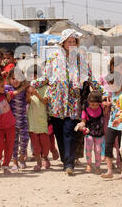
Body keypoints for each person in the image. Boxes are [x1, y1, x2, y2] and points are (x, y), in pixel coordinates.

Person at [29, 29, 105, 176]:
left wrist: (104, 93)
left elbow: (91, 78)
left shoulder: (80, 59)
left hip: (72, 103)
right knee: (59, 133)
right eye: (68, 41)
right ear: (63, 43)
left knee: (69, 131)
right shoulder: (54, 57)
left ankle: (69, 163)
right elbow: (45, 78)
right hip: (56, 103)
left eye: (74, 41)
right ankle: (65, 160)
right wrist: (32, 84)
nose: (71, 44)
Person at [0, 75, 17, 174]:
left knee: (9, 145)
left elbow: (15, 92)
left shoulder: (5, 95)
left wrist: (24, 86)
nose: (4, 87)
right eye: (2, 86)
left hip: (10, 125)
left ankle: (6, 165)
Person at [75, 91, 106, 174]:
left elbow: (105, 99)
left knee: (98, 150)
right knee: (88, 149)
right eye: (92, 104)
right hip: (89, 133)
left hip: (99, 134)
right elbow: (83, 122)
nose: (95, 106)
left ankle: (98, 166)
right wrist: (80, 125)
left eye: (97, 104)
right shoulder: (86, 111)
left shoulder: (102, 108)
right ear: (88, 102)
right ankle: (89, 164)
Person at [100, 73, 122, 179]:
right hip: (111, 123)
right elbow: (103, 101)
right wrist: (104, 104)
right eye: (109, 84)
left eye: (112, 84)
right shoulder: (111, 94)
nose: (110, 86)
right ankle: (109, 170)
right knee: (108, 146)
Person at [6, 68, 31, 171]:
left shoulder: (25, 89)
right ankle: (14, 161)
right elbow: (8, 98)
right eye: (13, 78)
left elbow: (28, 101)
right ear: (9, 79)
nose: (15, 81)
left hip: (23, 119)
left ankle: (21, 158)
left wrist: (28, 93)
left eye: (18, 78)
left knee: (25, 140)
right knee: (13, 142)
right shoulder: (7, 88)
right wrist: (22, 88)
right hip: (12, 122)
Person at [27, 65, 51, 171]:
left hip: (42, 119)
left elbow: (45, 101)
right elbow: (27, 101)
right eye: (30, 76)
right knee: (35, 143)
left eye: (35, 76)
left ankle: (45, 157)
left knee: (45, 142)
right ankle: (38, 162)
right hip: (32, 119)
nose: (33, 78)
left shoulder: (46, 88)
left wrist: (36, 94)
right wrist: (28, 94)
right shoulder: (28, 88)